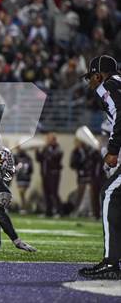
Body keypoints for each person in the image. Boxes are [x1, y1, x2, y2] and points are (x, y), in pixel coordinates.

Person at [79, 55, 121, 280]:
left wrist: (113, 150)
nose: (90, 83)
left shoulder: (109, 85)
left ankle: (111, 262)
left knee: (110, 194)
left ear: (98, 75)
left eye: (91, 78)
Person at [35, 133, 63, 217]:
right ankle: (48, 211)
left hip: (53, 174)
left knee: (54, 193)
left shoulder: (58, 148)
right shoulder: (46, 149)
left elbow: (54, 157)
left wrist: (47, 149)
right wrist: (37, 152)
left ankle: (59, 211)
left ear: (54, 140)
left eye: (49, 139)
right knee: (46, 193)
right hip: (45, 174)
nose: (47, 141)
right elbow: (39, 159)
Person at [14, 147, 33, 214]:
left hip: (26, 178)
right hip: (19, 178)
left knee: (22, 192)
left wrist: (26, 170)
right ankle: (23, 207)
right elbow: (13, 166)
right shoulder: (16, 157)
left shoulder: (28, 158)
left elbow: (31, 169)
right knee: (21, 193)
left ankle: (24, 207)